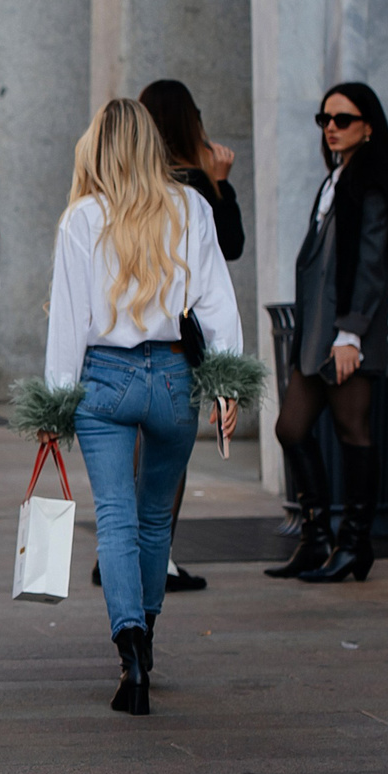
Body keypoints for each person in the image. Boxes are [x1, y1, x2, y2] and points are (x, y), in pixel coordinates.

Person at [44, 98, 241, 715]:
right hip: (174, 378)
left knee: (116, 517)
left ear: (99, 147)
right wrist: (227, 383)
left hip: (105, 378)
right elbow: (216, 301)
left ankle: (129, 647)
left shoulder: (83, 218)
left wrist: (55, 403)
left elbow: (69, 321)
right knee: (156, 517)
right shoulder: (191, 207)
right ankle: (146, 635)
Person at [270, 80, 388, 584]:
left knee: (354, 431)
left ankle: (354, 544)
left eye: (343, 120)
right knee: (291, 428)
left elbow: (373, 264)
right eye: (324, 119)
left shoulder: (370, 185)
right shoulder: (336, 181)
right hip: (316, 335)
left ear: (368, 127)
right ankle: (316, 538)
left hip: (347, 334)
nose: (331, 128)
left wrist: (350, 335)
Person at [137, 79, 243, 594]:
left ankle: (122, 553)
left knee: (136, 455)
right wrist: (220, 183)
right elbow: (231, 246)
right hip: (179, 341)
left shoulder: (134, 184)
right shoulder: (194, 188)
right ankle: (160, 559)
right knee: (168, 460)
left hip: (126, 341)